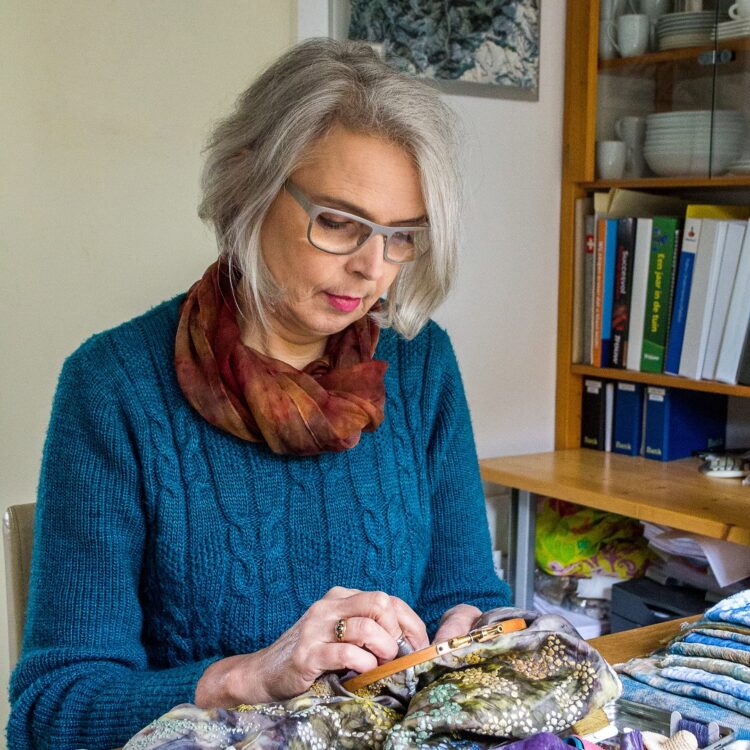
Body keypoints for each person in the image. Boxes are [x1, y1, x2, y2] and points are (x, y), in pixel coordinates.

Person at [7, 38, 511, 750]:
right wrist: (248, 677)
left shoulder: (421, 367)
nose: (372, 269)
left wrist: (477, 630)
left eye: (402, 237)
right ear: (249, 184)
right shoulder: (113, 388)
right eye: (338, 222)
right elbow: (51, 711)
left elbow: (465, 597)